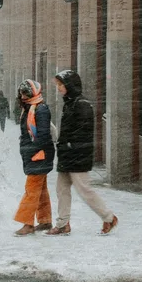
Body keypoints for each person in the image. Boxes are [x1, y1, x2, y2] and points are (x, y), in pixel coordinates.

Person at [46, 69, 118, 236]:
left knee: (85, 190)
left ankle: (108, 217)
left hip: (77, 156)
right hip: (68, 154)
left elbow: (83, 133)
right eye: (58, 85)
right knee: (61, 189)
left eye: (61, 84)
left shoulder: (82, 104)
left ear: (70, 85)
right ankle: (63, 224)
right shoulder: (70, 103)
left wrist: (70, 146)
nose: (58, 88)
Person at [14, 80, 54, 236]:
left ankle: (27, 223)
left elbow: (43, 135)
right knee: (41, 189)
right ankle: (45, 220)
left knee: (31, 190)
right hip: (35, 153)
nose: (22, 96)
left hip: (39, 155)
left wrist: (33, 151)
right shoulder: (30, 108)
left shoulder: (39, 109)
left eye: (25, 93)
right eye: (21, 93)